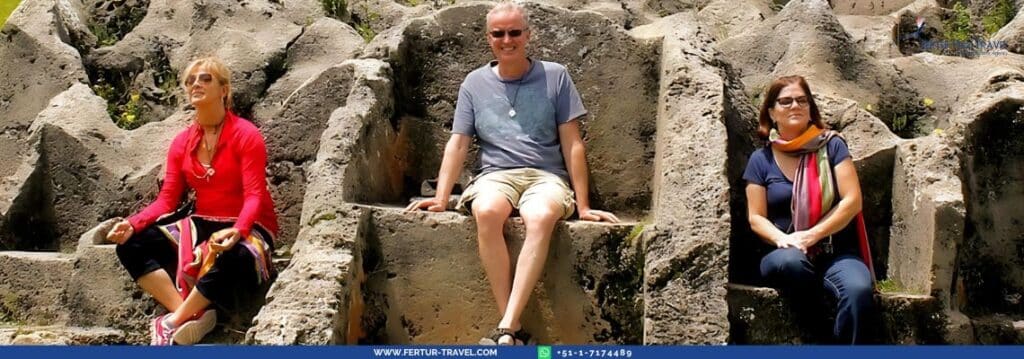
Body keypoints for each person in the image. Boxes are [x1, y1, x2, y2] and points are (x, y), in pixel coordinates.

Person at [405, 1, 618, 345]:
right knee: (486, 211)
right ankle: (511, 327)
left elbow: (573, 144)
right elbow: (458, 144)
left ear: (528, 35)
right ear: (488, 38)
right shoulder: (474, 83)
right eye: (499, 33)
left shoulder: (555, 76)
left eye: (514, 32)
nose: (507, 40)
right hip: (495, 174)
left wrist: (584, 205)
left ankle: (506, 329)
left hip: (545, 176)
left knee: (541, 214)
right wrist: (441, 197)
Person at [105, 57, 278, 345]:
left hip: (251, 225)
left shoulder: (246, 135)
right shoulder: (182, 142)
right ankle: (192, 315)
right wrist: (131, 224)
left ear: (224, 89)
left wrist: (239, 229)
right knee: (131, 244)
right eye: (190, 80)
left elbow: (255, 195)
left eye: (205, 78)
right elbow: (167, 201)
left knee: (233, 253)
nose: (195, 84)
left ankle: (172, 322)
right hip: (202, 223)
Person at [743, 75, 876, 344]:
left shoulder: (833, 146)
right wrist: (784, 239)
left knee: (859, 290)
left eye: (802, 100)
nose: (795, 106)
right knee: (793, 263)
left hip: (834, 251)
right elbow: (756, 217)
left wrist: (812, 235)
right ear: (771, 112)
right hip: (782, 252)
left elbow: (852, 201)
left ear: (810, 108)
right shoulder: (761, 159)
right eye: (786, 101)